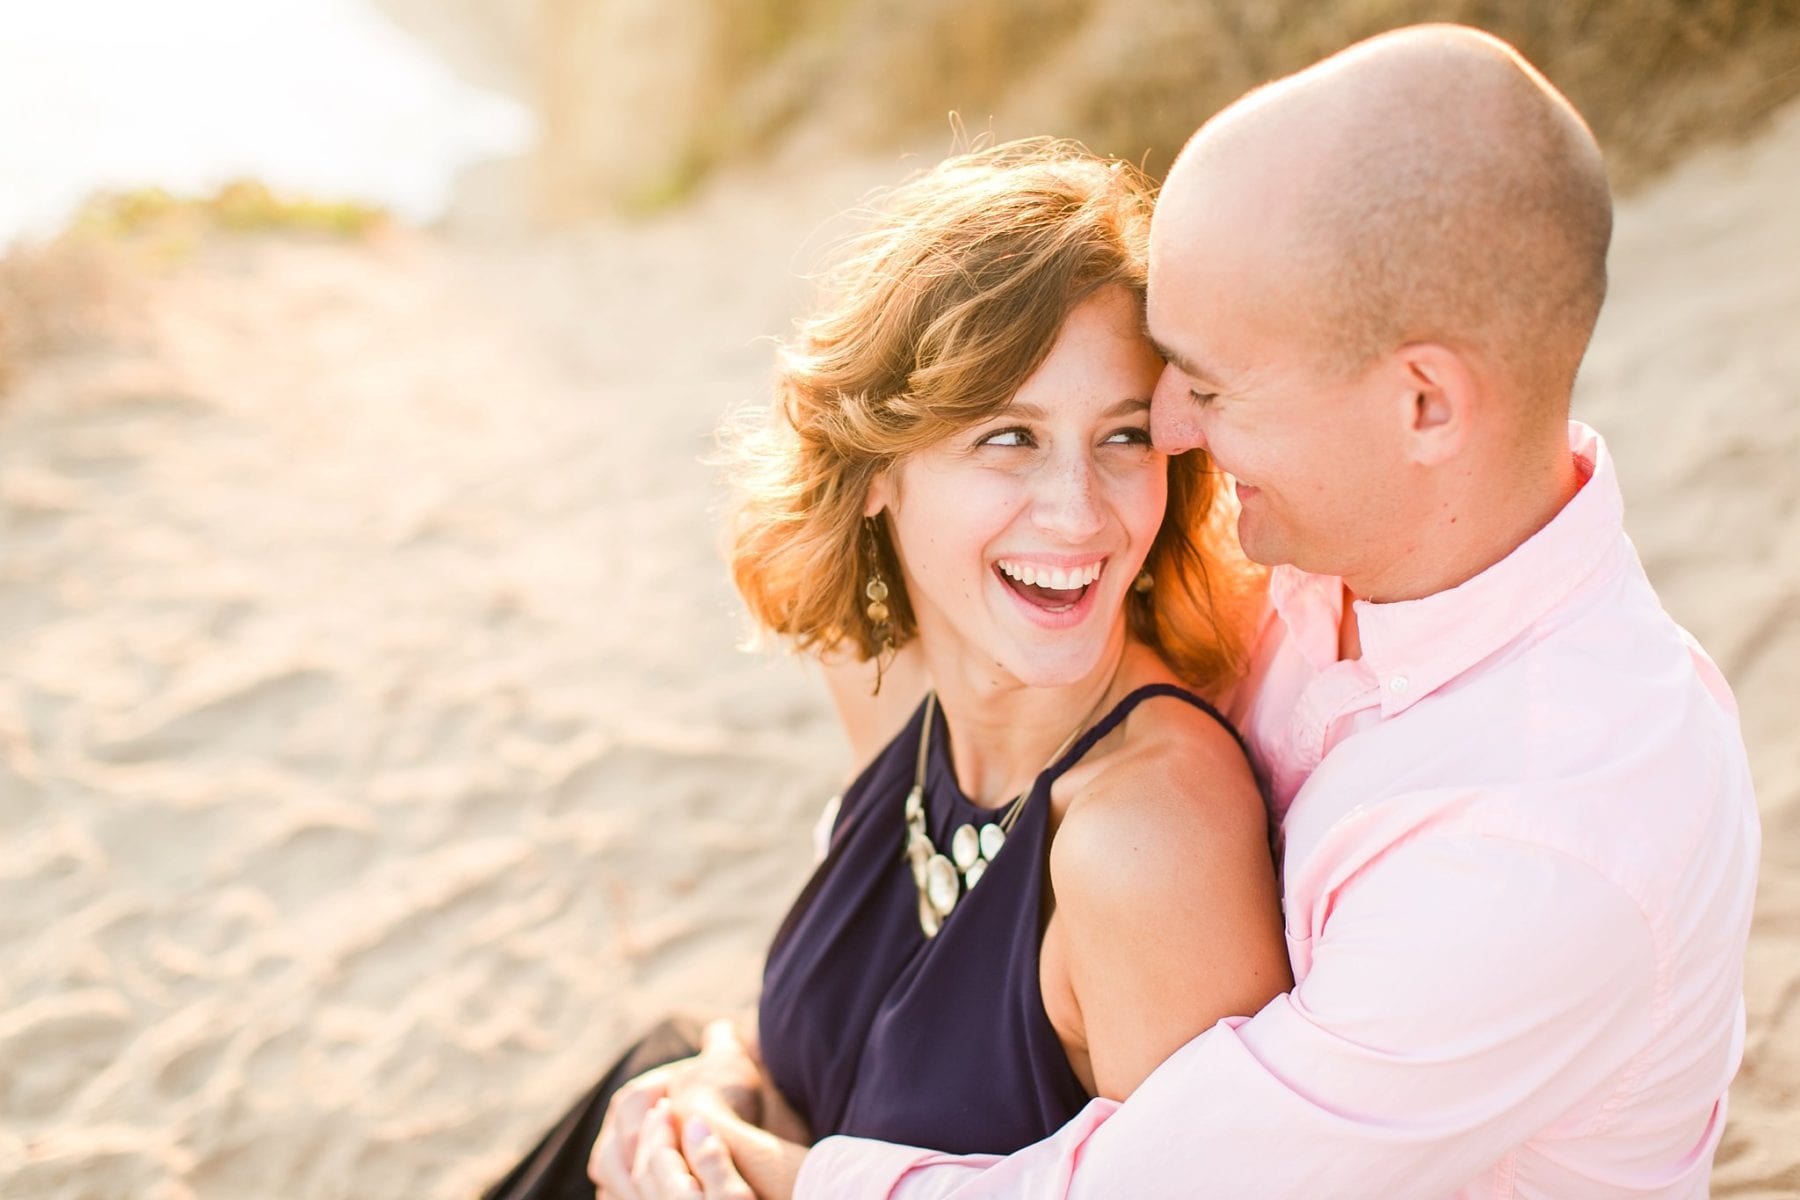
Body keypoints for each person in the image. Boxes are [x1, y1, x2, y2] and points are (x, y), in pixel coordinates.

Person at [633, 23, 1762, 1200]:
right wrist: (715, 1090)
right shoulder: (1313, 544)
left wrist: (793, 1181)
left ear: (1424, 404)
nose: (1169, 435)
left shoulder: (1551, 830)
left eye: (1208, 387)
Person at [480, 138, 1292, 1200]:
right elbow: (860, 1056)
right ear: (876, 474)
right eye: (1008, 437)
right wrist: (722, 1085)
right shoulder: (897, 687)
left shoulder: (1144, 842)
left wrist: (783, 1177)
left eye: (1123, 437)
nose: (1080, 512)